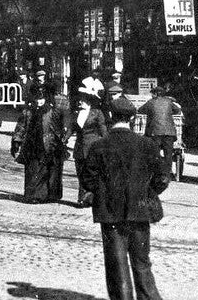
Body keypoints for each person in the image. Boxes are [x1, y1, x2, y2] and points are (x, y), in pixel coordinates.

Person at [80, 95, 170, 300]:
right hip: (139, 212)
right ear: (131, 119)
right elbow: (162, 178)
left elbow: (87, 178)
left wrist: (103, 192)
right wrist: (147, 193)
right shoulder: (147, 145)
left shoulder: (99, 146)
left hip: (110, 214)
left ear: (111, 116)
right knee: (142, 263)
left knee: (117, 265)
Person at [11, 85, 70, 203]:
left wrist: (62, 140)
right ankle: (33, 196)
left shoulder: (52, 111)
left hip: (49, 144)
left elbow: (57, 128)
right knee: (33, 171)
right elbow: (21, 127)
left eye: (41, 100)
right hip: (32, 145)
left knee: (49, 171)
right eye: (37, 100)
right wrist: (16, 141)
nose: (39, 102)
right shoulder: (27, 112)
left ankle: (49, 195)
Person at [74, 77, 108, 207]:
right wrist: (63, 140)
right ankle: (83, 197)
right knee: (80, 173)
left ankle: (88, 198)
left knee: (90, 174)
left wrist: (106, 144)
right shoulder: (77, 113)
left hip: (92, 147)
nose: (80, 101)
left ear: (89, 100)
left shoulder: (97, 113)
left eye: (83, 99)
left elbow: (103, 129)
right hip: (79, 148)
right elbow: (72, 128)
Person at [138, 85, 182, 181]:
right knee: (168, 154)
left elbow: (140, 110)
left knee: (155, 153)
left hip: (155, 132)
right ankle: (166, 175)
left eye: (152, 93)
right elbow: (178, 110)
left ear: (156, 94)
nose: (151, 95)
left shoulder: (151, 102)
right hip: (169, 133)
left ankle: (156, 174)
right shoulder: (169, 102)